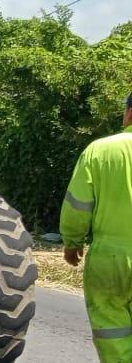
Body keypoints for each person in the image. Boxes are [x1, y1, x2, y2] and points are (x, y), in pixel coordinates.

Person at [61, 92, 132, 362]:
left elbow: (77, 206)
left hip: (108, 260)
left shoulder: (100, 151)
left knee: (113, 330)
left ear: (128, 113)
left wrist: (72, 242)